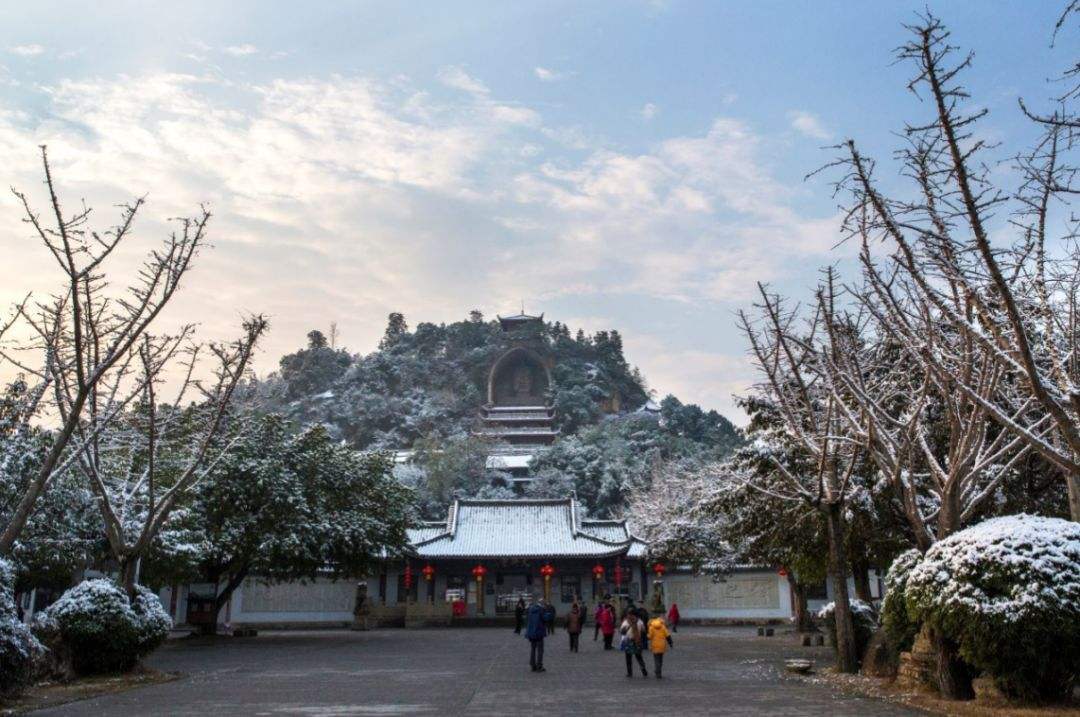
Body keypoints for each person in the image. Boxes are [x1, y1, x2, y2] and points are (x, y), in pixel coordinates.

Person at [620, 610, 648, 677]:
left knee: (628, 658)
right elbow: (644, 631)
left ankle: (629, 673)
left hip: (629, 641)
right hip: (637, 641)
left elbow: (622, 631)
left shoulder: (626, 622)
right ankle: (643, 670)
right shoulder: (640, 621)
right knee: (639, 657)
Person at [525, 596, 546, 672]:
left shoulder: (530, 610)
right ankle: (539, 666)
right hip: (539, 632)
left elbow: (528, 619)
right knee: (540, 650)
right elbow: (545, 619)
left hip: (531, 633)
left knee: (533, 649)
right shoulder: (541, 610)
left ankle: (532, 665)